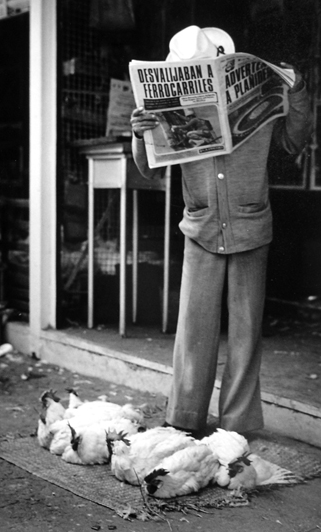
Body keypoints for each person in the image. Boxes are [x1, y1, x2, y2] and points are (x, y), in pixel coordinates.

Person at [131, 25, 312, 437]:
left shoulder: (260, 97)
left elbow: (294, 142)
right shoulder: (169, 110)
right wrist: (139, 134)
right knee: (193, 329)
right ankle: (184, 419)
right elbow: (147, 168)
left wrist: (298, 93)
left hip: (251, 222)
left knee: (246, 332)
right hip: (201, 225)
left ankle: (238, 424)